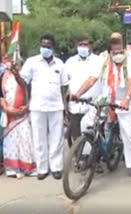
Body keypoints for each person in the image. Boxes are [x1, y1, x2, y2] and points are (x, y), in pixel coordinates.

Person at [72, 37, 131, 180]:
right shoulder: (102, 61)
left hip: (123, 100)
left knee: (127, 132)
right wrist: (77, 94)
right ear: (109, 52)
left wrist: (127, 99)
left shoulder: (129, 60)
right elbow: (92, 79)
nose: (118, 54)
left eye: (120, 51)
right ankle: (87, 156)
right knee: (86, 122)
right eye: (115, 52)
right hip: (105, 98)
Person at [16, 34, 68, 180]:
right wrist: (15, 74)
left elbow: (64, 86)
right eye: (43, 46)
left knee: (56, 138)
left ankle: (56, 167)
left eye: (48, 46)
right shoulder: (32, 62)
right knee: (39, 138)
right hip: (37, 106)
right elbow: (23, 82)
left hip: (56, 106)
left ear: (53, 47)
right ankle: (42, 169)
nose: (45, 48)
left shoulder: (59, 64)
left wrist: (65, 106)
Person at [0, 63, 36, 178]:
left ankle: (27, 167)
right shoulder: (3, 76)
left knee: (25, 139)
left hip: (22, 115)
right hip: (9, 114)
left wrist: (26, 106)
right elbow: (1, 96)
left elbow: (28, 92)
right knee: (11, 141)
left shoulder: (24, 77)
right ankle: (12, 168)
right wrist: (6, 108)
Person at [65, 35, 102, 145]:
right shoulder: (70, 62)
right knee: (76, 136)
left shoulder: (98, 60)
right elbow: (64, 83)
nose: (83, 47)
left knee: (93, 134)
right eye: (80, 45)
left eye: (85, 44)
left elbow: (92, 80)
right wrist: (65, 101)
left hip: (94, 104)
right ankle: (80, 160)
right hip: (75, 105)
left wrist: (78, 93)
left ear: (90, 46)